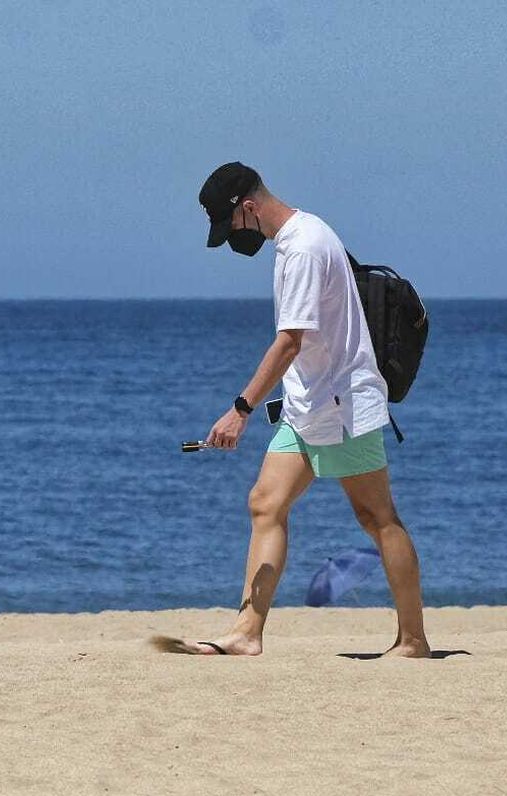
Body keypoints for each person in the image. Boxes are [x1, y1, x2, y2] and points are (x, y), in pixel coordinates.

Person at [171, 162, 429, 658]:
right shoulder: (294, 242)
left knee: (377, 517)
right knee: (265, 503)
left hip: (342, 405)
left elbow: (290, 341)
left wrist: (240, 409)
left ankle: (413, 640)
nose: (233, 241)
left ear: (248, 207)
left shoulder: (306, 247)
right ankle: (247, 633)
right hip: (306, 405)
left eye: (231, 228)